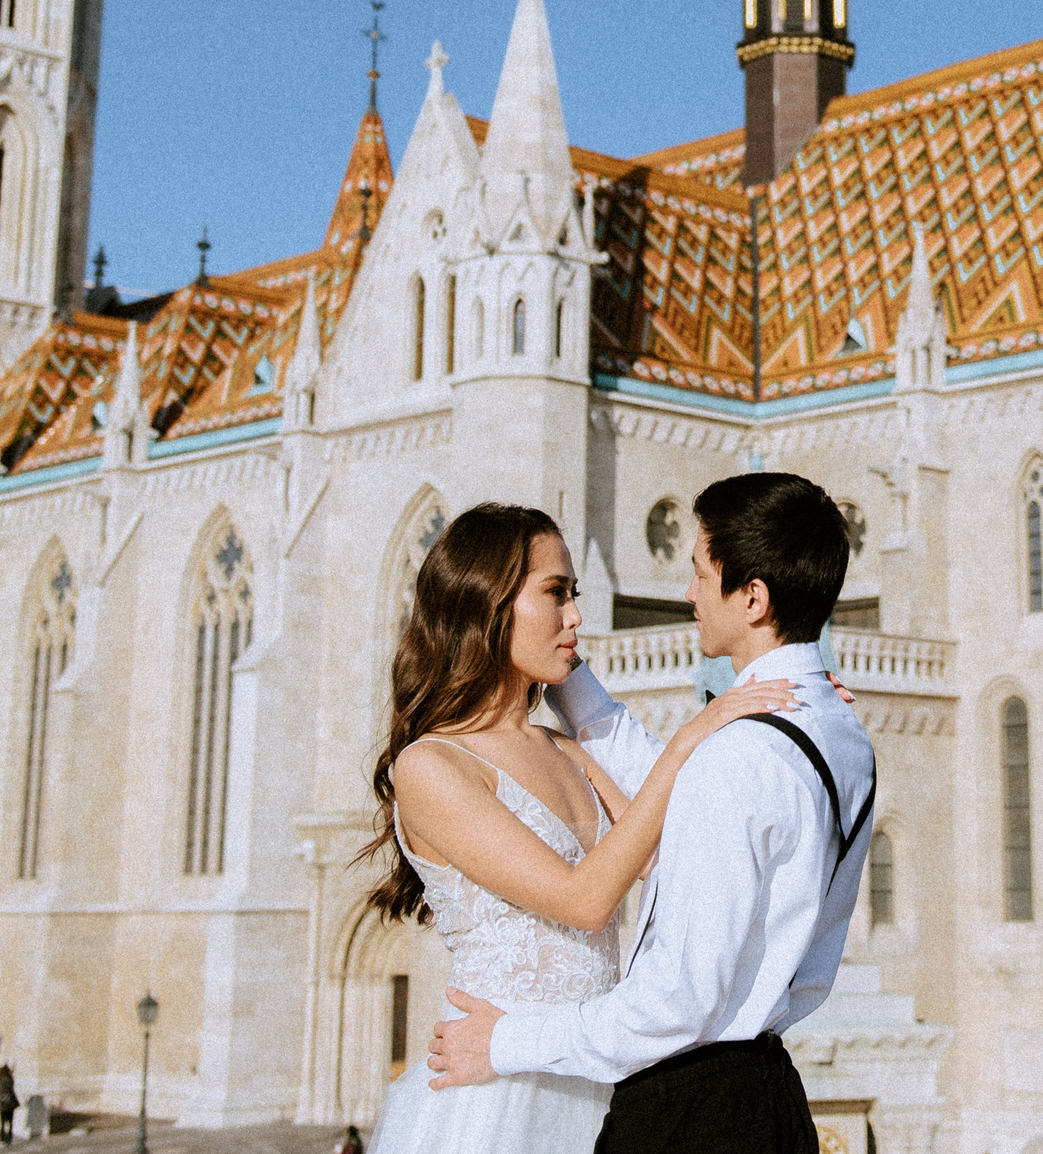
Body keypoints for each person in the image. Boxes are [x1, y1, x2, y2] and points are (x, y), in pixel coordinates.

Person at [428, 472, 876, 1154]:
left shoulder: (741, 755)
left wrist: (507, 1040)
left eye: (701, 573)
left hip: (688, 1108)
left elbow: (677, 1000)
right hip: (773, 1097)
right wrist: (557, 659)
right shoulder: (844, 735)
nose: (688, 595)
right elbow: (645, 775)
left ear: (752, 596)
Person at [359, 502, 801, 1154]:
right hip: (496, 1089)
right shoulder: (431, 765)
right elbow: (584, 899)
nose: (576, 617)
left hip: (596, 1074)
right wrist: (683, 744)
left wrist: (796, 727)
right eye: (555, 593)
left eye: (575, 593)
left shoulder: (564, 749)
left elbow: (679, 856)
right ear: (489, 602)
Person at [0, 1061, 19, 1144]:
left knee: (2, 1123)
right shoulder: (10, 1079)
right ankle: (9, 1139)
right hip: (11, 1102)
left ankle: (2, 1139)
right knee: (10, 1122)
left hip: (2, 1103)